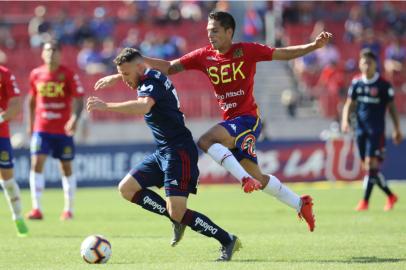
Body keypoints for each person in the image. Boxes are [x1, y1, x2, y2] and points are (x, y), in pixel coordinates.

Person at [95, 11, 332, 232]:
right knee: (260, 179)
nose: (210, 35)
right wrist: (137, 64)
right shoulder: (203, 56)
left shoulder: (247, 51)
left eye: (215, 31)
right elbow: (169, 67)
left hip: (247, 119)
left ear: (229, 32)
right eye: (209, 30)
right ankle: (300, 203)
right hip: (231, 122)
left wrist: (313, 46)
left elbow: (282, 53)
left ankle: (243, 179)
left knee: (207, 140)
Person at [88, 48, 241, 261]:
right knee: (127, 188)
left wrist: (106, 106)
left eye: (126, 74)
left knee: (178, 211)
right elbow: (149, 68)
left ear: (139, 69)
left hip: (179, 152)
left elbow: (143, 106)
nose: (124, 80)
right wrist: (118, 76)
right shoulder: (150, 73)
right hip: (164, 151)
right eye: (121, 74)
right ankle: (175, 218)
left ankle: (227, 239)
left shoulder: (150, 84)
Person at [26, 40, 84, 220]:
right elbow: (31, 100)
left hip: (62, 130)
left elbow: (79, 99)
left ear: (60, 54)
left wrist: (74, 118)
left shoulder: (68, 74)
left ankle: (69, 209)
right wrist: (30, 124)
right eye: (47, 50)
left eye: (54, 50)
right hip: (41, 128)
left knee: (65, 166)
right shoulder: (36, 74)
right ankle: (36, 208)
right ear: (42, 54)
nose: (51, 53)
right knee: (36, 163)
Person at [341, 49, 403, 211]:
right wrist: (345, 120)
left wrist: (397, 128)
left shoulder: (383, 85)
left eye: (369, 63)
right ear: (360, 65)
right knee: (369, 169)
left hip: (377, 131)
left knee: (370, 164)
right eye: (364, 63)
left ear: (375, 64)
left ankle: (365, 202)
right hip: (360, 131)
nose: (366, 66)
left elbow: (392, 108)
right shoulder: (356, 83)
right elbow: (349, 103)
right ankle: (390, 195)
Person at [0, 65, 29, 236]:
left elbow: (16, 106)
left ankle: (18, 217)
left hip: (1, 135)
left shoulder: (4, 74)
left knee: (8, 181)